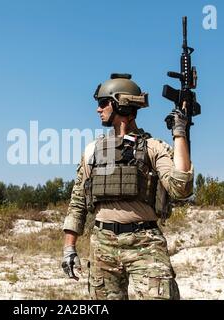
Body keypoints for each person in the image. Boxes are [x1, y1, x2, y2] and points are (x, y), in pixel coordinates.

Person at [61, 73, 194, 300]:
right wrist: (69, 248)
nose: (98, 109)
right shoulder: (92, 151)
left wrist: (179, 132)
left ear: (120, 105)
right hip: (102, 244)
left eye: (103, 103)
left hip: (146, 243)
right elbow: (78, 202)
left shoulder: (153, 147)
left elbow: (181, 188)